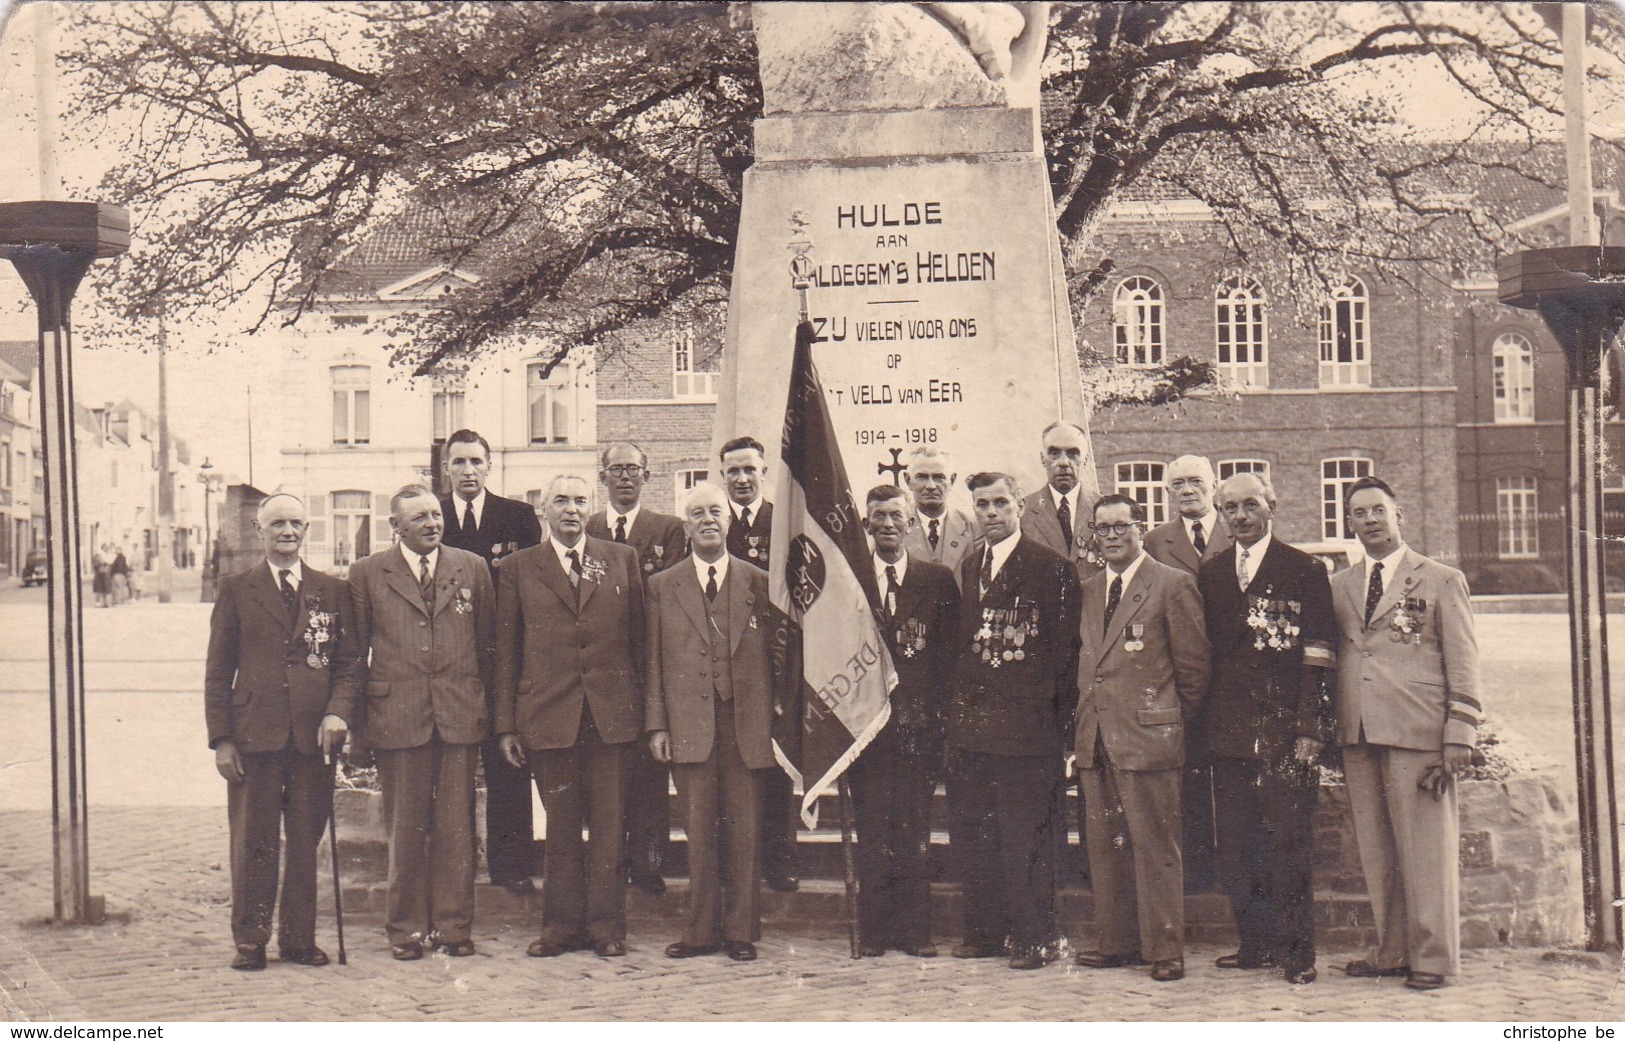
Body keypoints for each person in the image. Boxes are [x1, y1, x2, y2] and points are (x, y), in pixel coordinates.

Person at [1331, 476, 1482, 991]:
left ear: (1400, 516)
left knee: (1426, 850)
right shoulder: (1342, 584)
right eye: (1358, 513)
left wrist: (1460, 731)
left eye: (1378, 510)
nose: (1369, 520)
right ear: (1348, 523)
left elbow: (1463, 659)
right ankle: (1392, 950)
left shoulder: (1440, 579)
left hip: (1417, 728)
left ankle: (1433, 958)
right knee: (1377, 850)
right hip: (1359, 728)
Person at [204, 493, 360, 971]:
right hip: (256, 739)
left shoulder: (331, 590)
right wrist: (222, 739)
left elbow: (350, 665)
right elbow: (217, 670)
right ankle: (250, 939)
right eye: (277, 524)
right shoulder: (237, 588)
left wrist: (338, 714)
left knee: (305, 840)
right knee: (254, 840)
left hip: (314, 740)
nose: (287, 531)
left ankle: (298, 939)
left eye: (296, 523)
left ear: (307, 530)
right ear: (260, 531)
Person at [495, 475, 646, 959]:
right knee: (559, 827)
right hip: (548, 716)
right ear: (543, 510)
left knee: (608, 825)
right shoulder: (518, 568)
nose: (572, 509)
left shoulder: (621, 559)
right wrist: (506, 725)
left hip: (611, 718)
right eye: (560, 500)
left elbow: (640, 642)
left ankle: (606, 927)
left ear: (592, 508)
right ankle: (559, 927)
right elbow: (506, 652)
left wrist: (645, 714)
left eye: (581, 501)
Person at [348, 484, 496, 960]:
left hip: (458, 714)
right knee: (406, 827)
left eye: (436, 514)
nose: (433, 523)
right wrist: (356, 727)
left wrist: (488, 712)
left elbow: (488, 644)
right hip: (398, 715)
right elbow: (354, 655)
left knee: (456, 827)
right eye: (419, 518)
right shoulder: (368, 574)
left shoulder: (471, 567)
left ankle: (455, 927)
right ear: (396, 527)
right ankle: (406, 930)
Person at [1198, 472, 1335, 985]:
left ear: (1271, 505)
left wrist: (1310, 730)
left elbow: (1319, 654)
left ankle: (1298, 953)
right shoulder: (1211, 573)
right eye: (1229, 507)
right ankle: (1254, 943)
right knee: (1237, 845)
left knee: (1289, 844)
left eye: (1250, 504)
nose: (1240, 516)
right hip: (1230, 732)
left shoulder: (1303, 569)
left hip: (1284, 733)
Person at [1071, 494, 1209, 983]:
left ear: (1139, 527)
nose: (1111, 536)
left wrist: (1165, 724)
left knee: (1156, 846)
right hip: (1097, 739)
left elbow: (1193, 672)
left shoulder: (1172, 584)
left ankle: (1165, 947)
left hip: (1149, 738)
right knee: (1106, 846)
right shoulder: (1086, 590)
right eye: (1102, 528)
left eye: (1120, 527)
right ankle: (1117, 942)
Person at [946, 471, 1080, 970]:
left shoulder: (1051, 568)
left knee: (1028, 838)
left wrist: (1061, 732)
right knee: (977, 834)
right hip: (974, 729)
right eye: (982, 505)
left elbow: (1065, 655)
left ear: (1019, 506)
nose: (992, 513)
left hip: (1027, 731)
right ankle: (984, 931)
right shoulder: (968, 565)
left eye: (1001, 503)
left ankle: (1034, 937)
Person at [645, 483, 775, 962]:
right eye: (696, 513)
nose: (707, 520)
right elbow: (654, 661)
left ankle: (741, 932)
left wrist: (777, 718)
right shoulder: (663, 585)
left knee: (744, 831)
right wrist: (657, 725)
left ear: (728, 520)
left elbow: (781, 656)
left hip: (748, 725)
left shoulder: (759, 580)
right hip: (689, 725)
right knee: (699, 833)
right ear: (686, 525)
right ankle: (699, 932)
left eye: (714, 512)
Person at [851, 485, 960, 958]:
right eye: (879, 516)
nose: (888, 524)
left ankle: (916, 930)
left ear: (912, 522)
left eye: (897, 516)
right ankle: (875, 930)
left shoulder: (936, 580)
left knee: (912, 830)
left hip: (918, 729)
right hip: (865, 730)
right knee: (872, 828)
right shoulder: (850, 582)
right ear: (867, 525)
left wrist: (939, 722)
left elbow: (949, 658)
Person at [436, 428, 544, 897]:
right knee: (451, 771)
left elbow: (536, 589)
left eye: (476, 461)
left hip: (507, 661)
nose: (468, 471)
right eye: (458, 462)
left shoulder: (517, 517)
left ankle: (512, 865)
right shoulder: (430, 515)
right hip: (451, 661)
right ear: (446, 469)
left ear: (489, 466)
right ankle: (451, 869)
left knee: (508, 763)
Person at [587, 441, 689, 897]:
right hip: (599, 665)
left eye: (633, 469)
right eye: (616, 469)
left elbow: (662, 594)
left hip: (649, 662)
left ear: (647, 477)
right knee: (605, 772)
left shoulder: (668, 530)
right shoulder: (585, 527)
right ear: (602, 476)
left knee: (649, 773)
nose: (625, 477)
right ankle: (606, 864)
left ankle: (647, 865)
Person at [1146, 454, 1233, 892]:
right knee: (1190, 774)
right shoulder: (1155, 541)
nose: (1187, 490)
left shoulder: (1237, 528)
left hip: (1234, 672)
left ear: (1213, 485)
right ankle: (1197, 872)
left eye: (1196, 481)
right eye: (1177, 484)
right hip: (1181, 675)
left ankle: (1235, 872)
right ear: (1167, 493)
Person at [719, 435, 798, 893]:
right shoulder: (713, 524)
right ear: (723, 475)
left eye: (750, 469)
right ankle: (734, 862)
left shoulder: (782, 522)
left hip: (771, 661)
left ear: (764, 473)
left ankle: (779, 859)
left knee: (773, 765)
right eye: (733, 470)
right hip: (722, 663)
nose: (742, 478)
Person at [1020, 421, 1095, 574]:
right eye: (1054, 453)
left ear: (1085, 459)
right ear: (1042, 458)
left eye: (1073, 453)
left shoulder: (1103, 510)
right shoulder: (1022, 513)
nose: (1063, 463)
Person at [900, 446, 982, 584]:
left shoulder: (973, 528)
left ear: (952, 480)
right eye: (922, 477)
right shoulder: (896, 528)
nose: (931, 486)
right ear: (908, 480)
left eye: (939, 477)